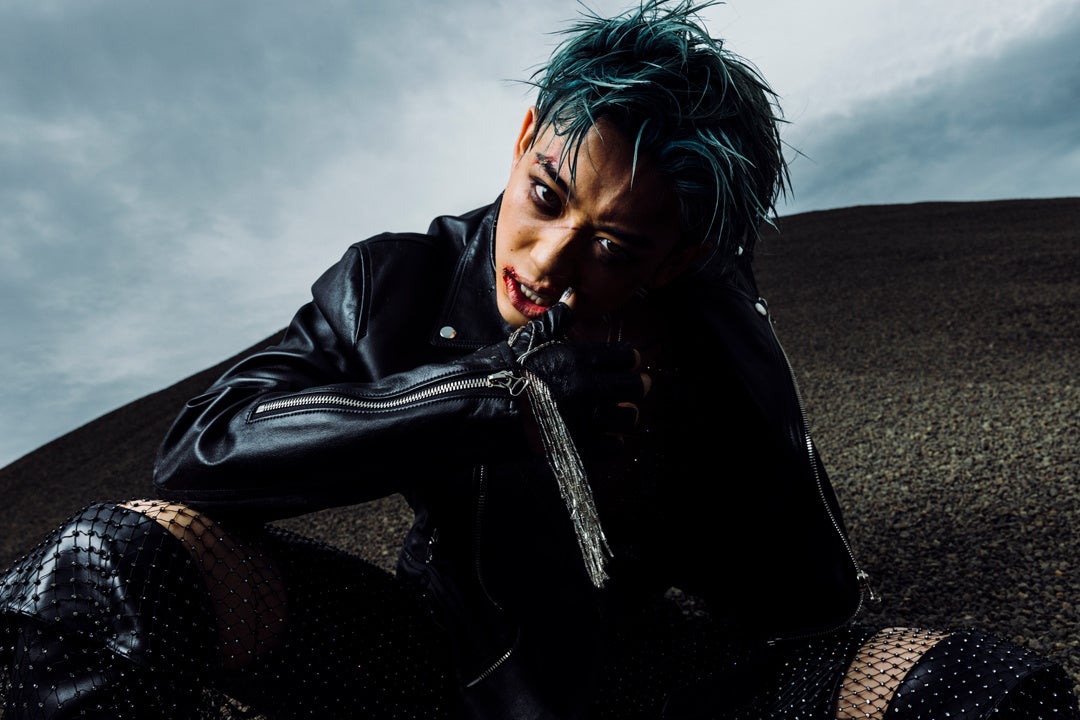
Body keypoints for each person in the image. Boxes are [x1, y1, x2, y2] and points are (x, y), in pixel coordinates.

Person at [1, 1, 1078, 718]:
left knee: (982, 692)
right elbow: (203, 449)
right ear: (524, 141)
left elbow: (805, 595)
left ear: (680, 257)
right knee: (114, 557)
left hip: (682, 686)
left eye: (615, 246)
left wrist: (699, 413)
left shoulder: (710, 319)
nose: (551, 259)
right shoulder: (398, 282)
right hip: (440, 673)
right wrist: (485, 399)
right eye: (546, 197)